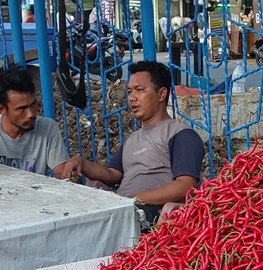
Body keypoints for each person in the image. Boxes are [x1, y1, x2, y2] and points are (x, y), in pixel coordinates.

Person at [56, 61, 204, 224]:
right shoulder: (132, 139)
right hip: (123, 208)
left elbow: (184, 186)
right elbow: (112, 175)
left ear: (161, 94)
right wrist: (81, 162)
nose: (132, 98)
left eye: (140, 90)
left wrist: (134, 199)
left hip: (152, 213)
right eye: (129, 92)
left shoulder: (181, 134)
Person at [0, 71, 69, 176]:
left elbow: (61, 173)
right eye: (22, 109)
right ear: (1, 109)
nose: (31, 114)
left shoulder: (47, 127)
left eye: (33, 104)